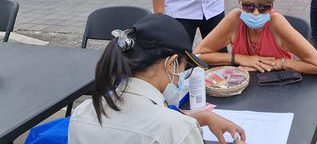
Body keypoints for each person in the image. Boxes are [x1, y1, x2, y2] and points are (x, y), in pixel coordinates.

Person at [68, 14, 246, 144]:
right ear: (171, 64)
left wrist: (203, 117)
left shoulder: (83, 112)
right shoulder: (177, 130)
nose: (179, 80)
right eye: (184, 68)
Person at [194, 0, 317, 75]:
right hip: (244, 84)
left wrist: (280, 63)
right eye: (248, 7)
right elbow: (198, 55)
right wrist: (240, 59)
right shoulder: (234, 19)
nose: (256, 13)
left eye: (263, 7)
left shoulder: (276, 23)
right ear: (239, 3)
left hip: (280, 84)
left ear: (271, 5)